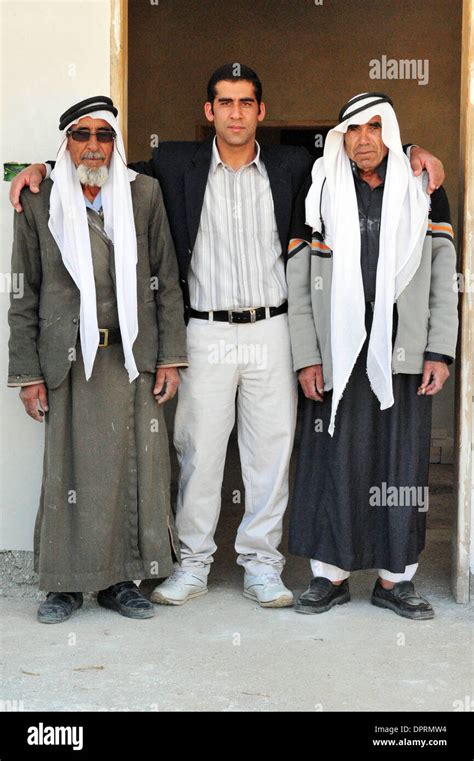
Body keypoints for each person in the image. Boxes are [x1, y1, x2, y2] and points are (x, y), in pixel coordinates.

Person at [9, 70, 445, 609]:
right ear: (208, 109)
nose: (235, 113)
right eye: (224, 103)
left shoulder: (295, 166)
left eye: (245, 103)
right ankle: (192, 565)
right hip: (204, 331)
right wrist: (42, 168)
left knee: (270, 453)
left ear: (261, 111)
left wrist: (413, 148)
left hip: (273, 328)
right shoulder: (172, 164)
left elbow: (359, 149)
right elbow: (100, 163)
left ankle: (262, 566)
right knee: (198, 452)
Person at [8, 96, 188, 623]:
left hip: (132, 359)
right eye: (82, 135)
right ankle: (63, 587)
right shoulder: (39, 201)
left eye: (104, 136)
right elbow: (25, 294)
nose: (93, 145)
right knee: (67, 473)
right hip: (66, 361)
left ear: (116, 144)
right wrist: (27, 375)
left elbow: (167, 282)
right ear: (66, 142)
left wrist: (170, 359)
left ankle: (121, 581)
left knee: (134, 472)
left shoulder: (144, 194)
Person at [286, 92, 458, 619]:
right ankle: (330, 577)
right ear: (343, 136)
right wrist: (307, 355)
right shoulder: (317, 188)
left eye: (375, 127)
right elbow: (298, 278)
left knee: (400, 464)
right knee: (331, 460)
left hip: (401, 351)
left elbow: (443, 275)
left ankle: (394, 580)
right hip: (337, 353)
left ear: (391, 132)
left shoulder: (424, 190)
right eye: (354, 129)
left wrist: (439, 349)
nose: (364, 139)